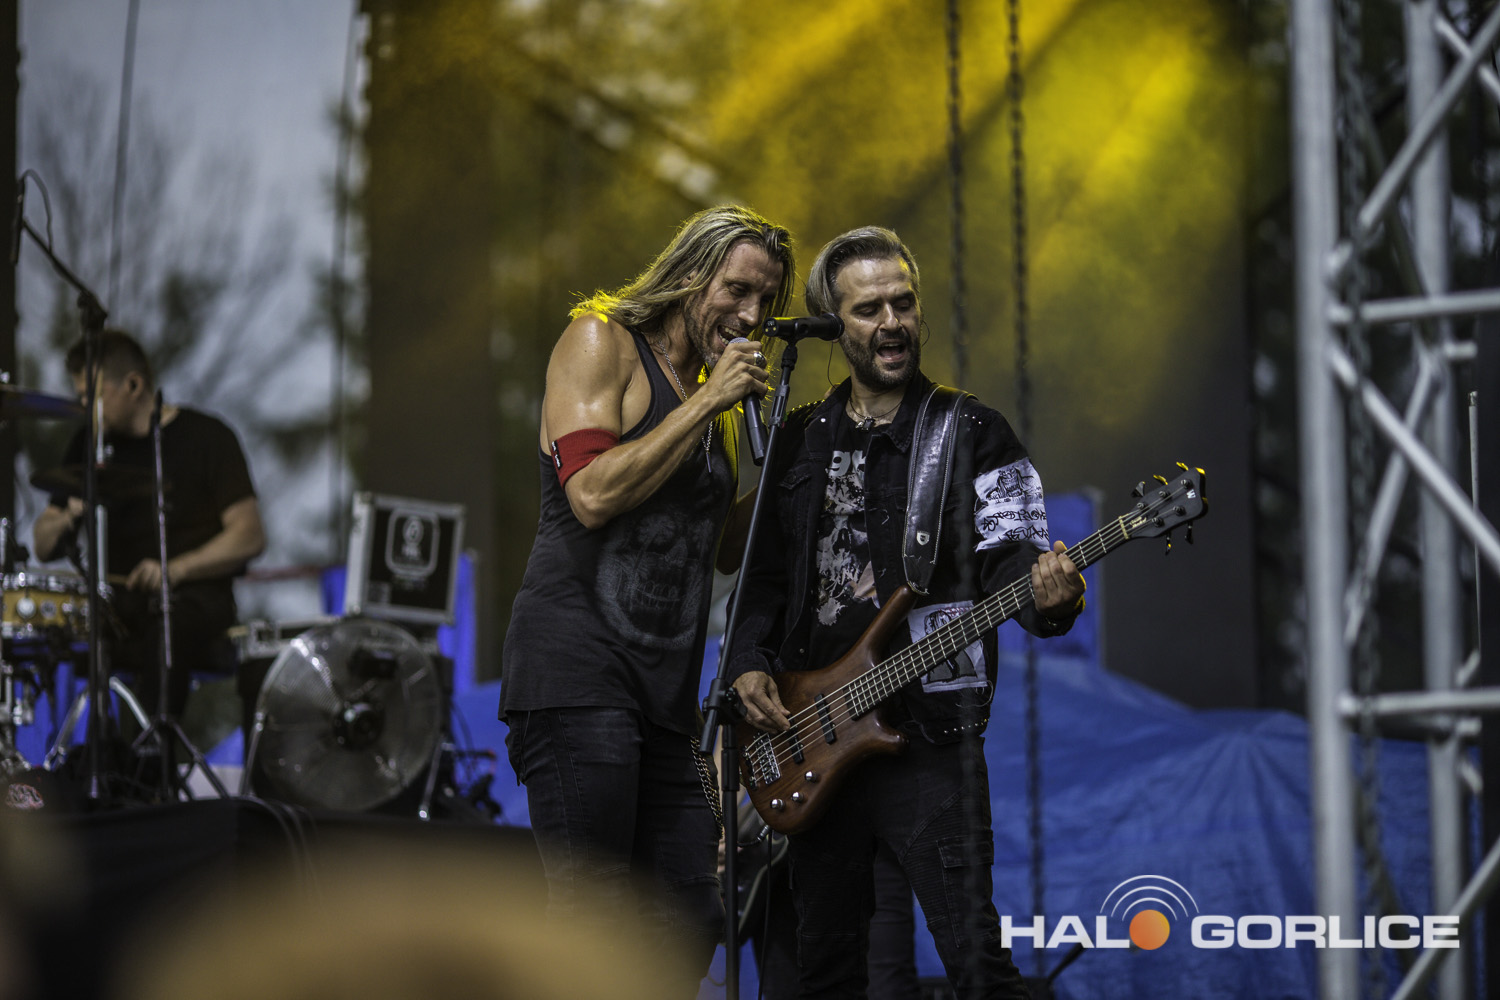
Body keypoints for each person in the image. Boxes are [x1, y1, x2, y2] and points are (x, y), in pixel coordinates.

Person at [727, 227, 1086, 999]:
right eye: (869, 309)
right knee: (826, 976)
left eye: (903, 302)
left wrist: (1051, 596)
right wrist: (748, 662)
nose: (891, 322)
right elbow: (761, 579)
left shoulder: (974, 432)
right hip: (814, 738)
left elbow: (1014, 556)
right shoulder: (799, 439)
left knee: (977, 967)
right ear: (834, 324)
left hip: (930, 740)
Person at [500, 205, 795, 996]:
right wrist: (707, 405)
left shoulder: (709, 398)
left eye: (766, 301)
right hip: (577, 678)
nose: (752, 317)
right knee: (593, 920)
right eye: (737, 290)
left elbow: (719, 551)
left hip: (664, 705)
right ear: (690, 274)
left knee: (691, 911)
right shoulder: (600, 341)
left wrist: (788, 473)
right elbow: (593, 493)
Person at [32, 330, 265, 725]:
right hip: (116, 608)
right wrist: (70, 513)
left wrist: (175, 570)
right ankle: (76, 752)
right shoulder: (88, 444)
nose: (84, 407)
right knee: (53, 633)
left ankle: (150, 753)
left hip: (193, 604)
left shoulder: (208, 437)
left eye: (92, 396)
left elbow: (250, 535)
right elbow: (42, 544)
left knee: (168, 627)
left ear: (134, 385)